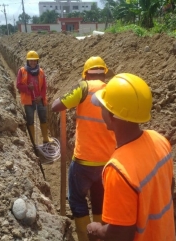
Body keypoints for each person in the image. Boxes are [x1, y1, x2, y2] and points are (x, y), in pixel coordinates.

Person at [88, 73, 176, 241]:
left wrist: (96, 229)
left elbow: (120, 234)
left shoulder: (118, 170)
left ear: (112, 116)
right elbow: (169, 187)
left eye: (103, 107)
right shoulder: (160, 140)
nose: (101, 110)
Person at [51, 56, 116, 241]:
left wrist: (62, 97)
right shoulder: (112, 90)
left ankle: (85, 237)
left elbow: (56, 106)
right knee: (99, 201)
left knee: (77, 200)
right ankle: (99, 236)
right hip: (107, 163)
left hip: (83, 161)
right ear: (104, 73)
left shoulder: (83, 88)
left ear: (86, 74)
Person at [16, 50, 50, 144]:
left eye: (34, 60)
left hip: (39, 100)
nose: (33, 62)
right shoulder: (22, 71)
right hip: (28, 101)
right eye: (31, 60)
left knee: (43, 118)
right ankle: (33, 142)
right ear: (28, 61)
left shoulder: (41, 72)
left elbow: (44, 87)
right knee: (30, 120)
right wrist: (27, 87)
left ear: (37, 61)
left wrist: (41, 97)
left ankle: (45, 138)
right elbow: (18, 85)